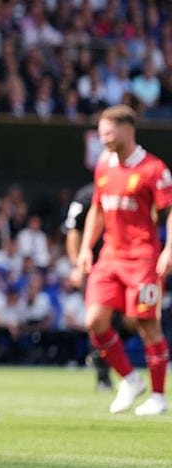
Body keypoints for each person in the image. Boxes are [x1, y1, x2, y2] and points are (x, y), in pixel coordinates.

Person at [75, 104, 171, 416]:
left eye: (108, 132)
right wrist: (86, 248)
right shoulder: (103, 166)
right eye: (100, 133)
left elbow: (170, 214)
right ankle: (130, 379)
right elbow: (97, 210)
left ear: (127, 131)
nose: (103, 138)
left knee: (147, 325)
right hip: (110, 257)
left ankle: (158, 396)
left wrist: (169, 249)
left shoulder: (155, 170)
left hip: (143, 258)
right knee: (94, 321)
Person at [64, 182, 137, 391]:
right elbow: (73, 231)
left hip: (126, 265)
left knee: (134, 320)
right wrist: (76, 265)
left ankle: (100, 355)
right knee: (97, 320)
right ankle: (102, 376)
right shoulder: (86, 196)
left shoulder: (128, 192)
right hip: (95, 267)